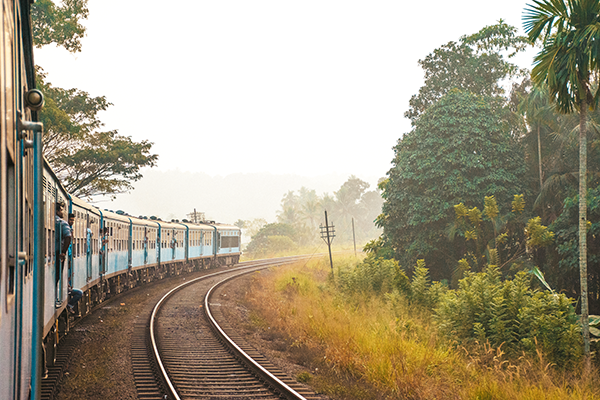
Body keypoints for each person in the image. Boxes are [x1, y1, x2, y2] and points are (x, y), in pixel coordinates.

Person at [66, 212, 83, 314]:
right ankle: (70, 306)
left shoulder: (68, 229)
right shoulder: (65, 228)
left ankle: (70, 306)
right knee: (79, 293)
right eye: (71, 220)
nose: (72, 222)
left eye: (73, 220)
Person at [55, 203, 71, 285]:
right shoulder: (62, 223)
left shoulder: (48, 220)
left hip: (51, 253)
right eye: (61, 210)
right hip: (58, 253)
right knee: (57, 276)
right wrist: (64, 252)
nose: (62, 212)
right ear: (57, 211)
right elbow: (68, 237)